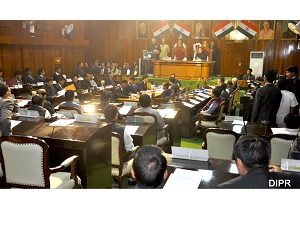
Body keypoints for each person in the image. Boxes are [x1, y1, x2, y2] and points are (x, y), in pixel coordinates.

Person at [219, 134, 300, 188]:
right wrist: (284, 175)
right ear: (269, 160)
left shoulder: (226, 188)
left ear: (239, 163)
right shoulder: (291, 182)